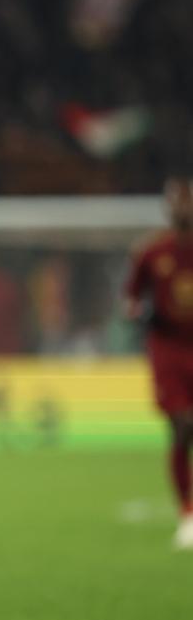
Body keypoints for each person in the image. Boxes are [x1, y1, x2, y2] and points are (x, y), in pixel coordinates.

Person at [126, 176, 193, 549]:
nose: (184, 207)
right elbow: (131, 299)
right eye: (178, 201)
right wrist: (139, 313)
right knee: (182, 426)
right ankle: (188, 514)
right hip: (169, 350)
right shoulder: (152, 253)